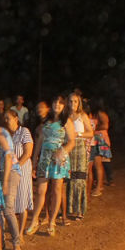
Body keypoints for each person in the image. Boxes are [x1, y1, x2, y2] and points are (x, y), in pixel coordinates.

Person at [26, 96, 76, 237]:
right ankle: (34, 220)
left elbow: (72, 141)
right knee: (41, 190)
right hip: (44, 158)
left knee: (56, 190)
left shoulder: (66, 121)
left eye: (60, 103)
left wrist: (63, 150)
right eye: (55, 102)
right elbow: (40, 141)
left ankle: (52, 222)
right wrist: (34, 160)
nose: (57, 105)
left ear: (64, 106)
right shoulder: (46, 122)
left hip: (58, 159)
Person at [0, 125, 23, 250]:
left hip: (10, 172)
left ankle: (16, 242)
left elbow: (8, 156)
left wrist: (4, 182)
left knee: (8, 209)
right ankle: (1, 242)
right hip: (0, 173)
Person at [4, 109, 34, 239]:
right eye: (4, 119)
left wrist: (16, 166)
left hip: (21, 171)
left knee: (21, 202)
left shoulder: (24, 132)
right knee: (9, 204)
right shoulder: (5, 135)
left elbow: (28, 152)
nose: (6, 121)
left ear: (16, 118)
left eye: (8, 118)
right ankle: (10, 233)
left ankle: (20, 233)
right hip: (8, 173)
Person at [66, 92, 94, 219]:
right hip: (68, 148)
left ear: (79, 103)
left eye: (75, 101)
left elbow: (90, 133)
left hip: (79, 148)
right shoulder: (65, 116)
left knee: (80, 178)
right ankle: (69, 208)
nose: (73, 104)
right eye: (71, 101)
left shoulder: (82, 116)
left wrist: (78, 134)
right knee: (69, 178)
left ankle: (79, 210)